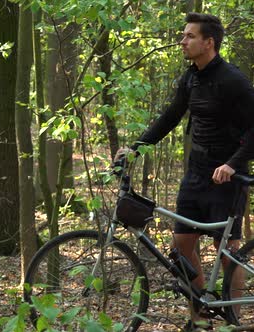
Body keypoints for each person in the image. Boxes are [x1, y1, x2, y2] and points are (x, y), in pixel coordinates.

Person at [118, 12, 254, 331]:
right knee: (181, 246)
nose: (183, 41)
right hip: (195, 174)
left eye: (189, 36)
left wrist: (232, 164)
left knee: (229, 252)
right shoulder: (191, 77)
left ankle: (233, 320)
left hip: (227, 178)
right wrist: (136, 147)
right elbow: (169, 117)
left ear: (209, 42)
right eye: (183, 35)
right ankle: (200, 316)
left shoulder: (233, 80)